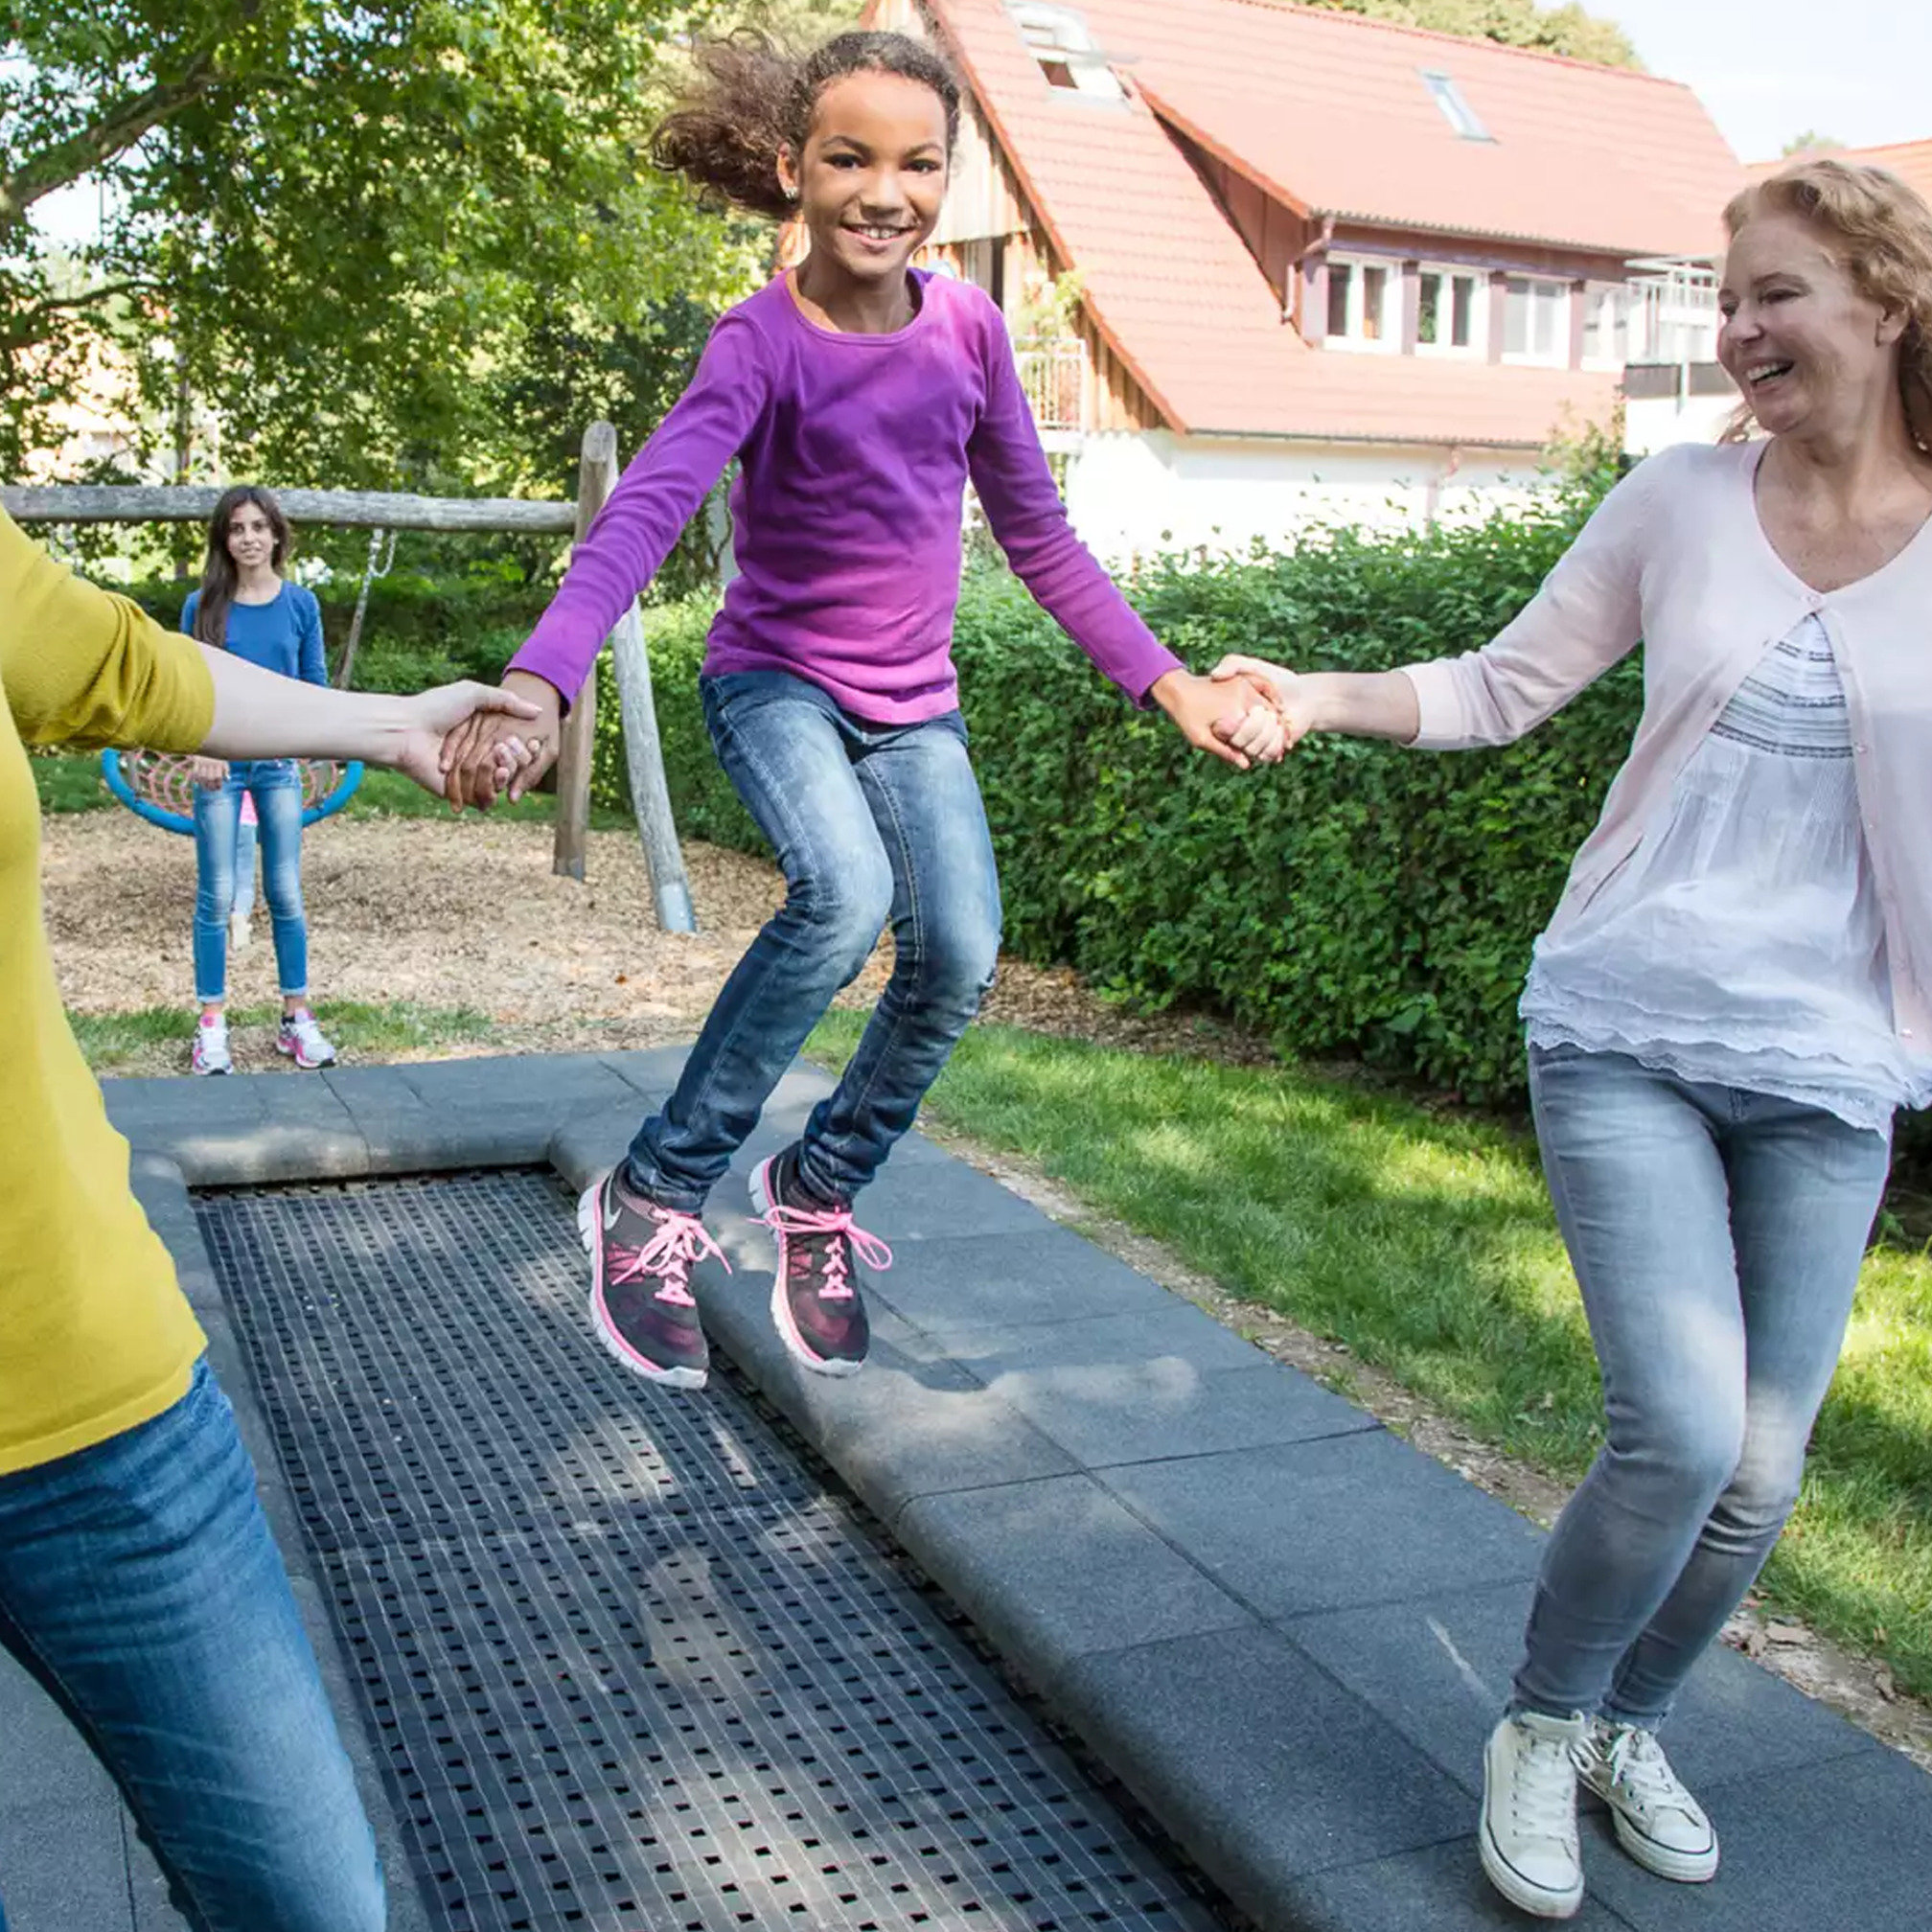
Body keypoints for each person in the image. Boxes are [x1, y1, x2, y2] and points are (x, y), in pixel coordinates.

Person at [1211, 154, 1932, 1920]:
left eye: (1774, 295)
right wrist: (1314, 692)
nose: (1736, 330)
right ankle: (1539, 1722)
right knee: (1678, 1431)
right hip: (1628, 1017)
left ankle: (1630, 1722)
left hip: (1834, 1058)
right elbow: (1498, 684)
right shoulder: (1679, 500)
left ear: (1890, 301)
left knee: (1761, 1472)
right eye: (1727, 298)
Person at [441, 29, 1284, 1392]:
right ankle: (654, 1193)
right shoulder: (759, 341)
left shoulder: (971, 333)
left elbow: (1040, 536)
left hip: (913, 710)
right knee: (840, 898)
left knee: (959, 949)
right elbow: (646, 512)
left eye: (918, 165)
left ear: (947, 177)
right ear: (794, 168)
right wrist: (543, 677)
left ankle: (818, 1186)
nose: (885, 193)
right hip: (773, 684)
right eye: (850, 159)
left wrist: (1166, 680)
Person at [0, 507, 537, 1932]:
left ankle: (281, 1011)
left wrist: (394, 724)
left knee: (314, 1903)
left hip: (88, 1394)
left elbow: (130, 667)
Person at [181, 486, 334, 1074]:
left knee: (286, 891)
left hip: (277, 764)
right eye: (236, 528)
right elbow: (187, 689)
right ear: (224, 539)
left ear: (276, 535)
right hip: (220, 763)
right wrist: (202, 747)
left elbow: (313, 685)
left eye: (258, 527)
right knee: (217, 894)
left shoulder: (300, 605)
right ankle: (211, 1023)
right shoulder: (202, 607)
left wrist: (314, 745)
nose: (248, 538)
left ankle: (296, 1017)